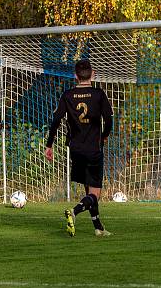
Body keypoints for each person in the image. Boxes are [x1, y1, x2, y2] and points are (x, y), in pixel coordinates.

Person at [44, 60, 113, 237]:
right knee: (95, 192)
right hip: (93, 148)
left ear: (75, 75)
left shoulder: (68, 95)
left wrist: (49, 144)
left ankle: (98, 228)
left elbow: (56, 121)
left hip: (75, 149)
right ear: (93, 74)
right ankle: (73, 211)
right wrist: (105, 134)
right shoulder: (98, 94)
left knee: (87, 189)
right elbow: (109, 118)